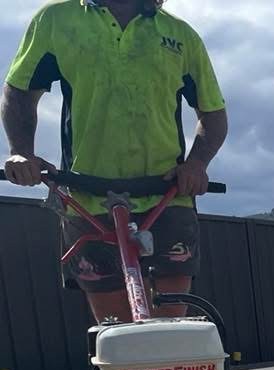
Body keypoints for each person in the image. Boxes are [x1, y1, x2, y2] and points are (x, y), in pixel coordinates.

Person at [1, 0, 228, 323]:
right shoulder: (56, 20)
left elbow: (213, 112)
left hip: (166, 195)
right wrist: (21, 150)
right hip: (88, 197)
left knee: (173, 325)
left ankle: (178, 369)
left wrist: (196, 163)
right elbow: (20, 91)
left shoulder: (180, 35)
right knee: (115, 329)